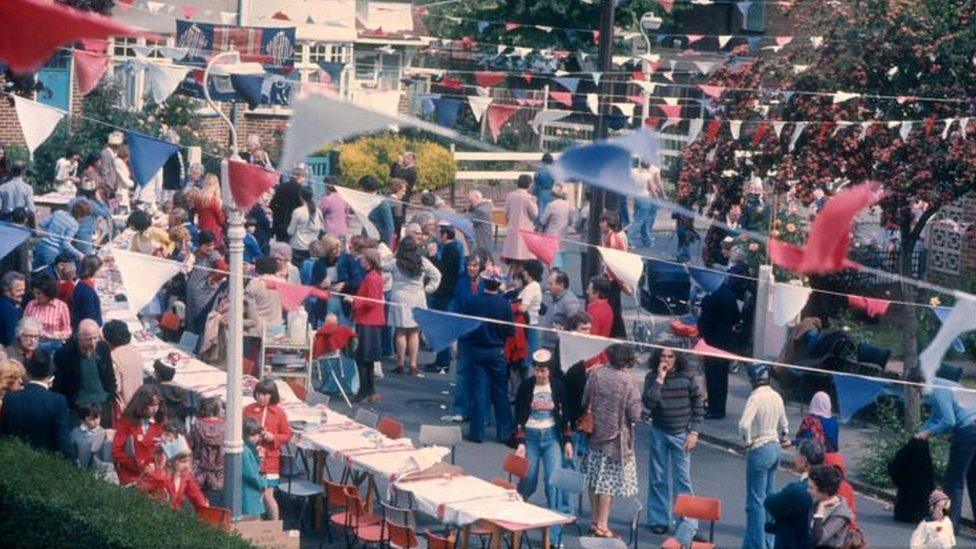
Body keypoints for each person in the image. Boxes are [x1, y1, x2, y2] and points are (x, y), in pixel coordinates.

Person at [580, 344, 642, 539]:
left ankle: (594, 520)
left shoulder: (597, 374)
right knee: (607, 483)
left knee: (593, 479)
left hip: (595, 434)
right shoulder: (629, 381)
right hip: (615, 439)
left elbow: (585, 400)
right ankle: (603, 524)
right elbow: (635, 414)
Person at [642, 348, 704, 539]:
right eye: (663, 356)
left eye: (670, 356)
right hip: (660, 431)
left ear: (677, 359)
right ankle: (659, 520)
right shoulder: (652, 377)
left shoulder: (688, 377)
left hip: (681, 433)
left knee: (683, 481)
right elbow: (649, 403)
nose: (666, 360)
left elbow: (698, 404)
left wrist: (694, 432)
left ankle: (687, 524)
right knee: (658, 477)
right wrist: (660, 379)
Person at [512, 349, 573, 543]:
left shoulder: (558, 387)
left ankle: (554, 537)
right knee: (528, 481)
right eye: (537, 370)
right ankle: (516, 523)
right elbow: (519, 417)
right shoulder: (526, 387)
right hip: (531, 436)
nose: (539, 374)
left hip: (551, 437)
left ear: (550, 370)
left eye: (543, 371)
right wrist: (520, 443)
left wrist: (568, 441)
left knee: (552, 483)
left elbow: (566, 416)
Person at [912, 371, 976, 531]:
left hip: (967, 430)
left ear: (922, 382)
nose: (917, 393)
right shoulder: (941, 383)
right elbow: (935, 418)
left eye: (916, 388)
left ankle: (950, 524)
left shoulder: (937, 390)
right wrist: (920, 432)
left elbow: (949, 421)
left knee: (954, 480)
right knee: (973, 479)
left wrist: (928, 433)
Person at [458, 271, 514, 443]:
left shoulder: (473, 302)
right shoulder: (505, 305)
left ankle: (477, 432)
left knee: (479, 391)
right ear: (498, 285)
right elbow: (510, 331)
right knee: (500, 392)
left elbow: (465, 326)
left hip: (477, 350)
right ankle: (504, 432)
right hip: (497, 351)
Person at [739, 363, 789, 549]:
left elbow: (744, 425)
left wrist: (747, 441)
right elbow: (784, 424)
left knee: (755, 502)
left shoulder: (755, 397)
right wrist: (784, 435)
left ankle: (755, 544)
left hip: (760, 447)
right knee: (769, 498)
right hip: (775, 447)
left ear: (753, 379)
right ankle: (769, 542)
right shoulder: (776, 395)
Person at [698, 264, 750, 419]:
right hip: (726, 342)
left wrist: (702, 334)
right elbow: (736, 318)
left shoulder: (710, 297)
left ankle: (714, 408)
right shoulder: (729, 295)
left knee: (712, 377)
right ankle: (719, 407)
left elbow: (704, 324)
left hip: (712, 344)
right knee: (722, 379)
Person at [0, 350, 72, 458]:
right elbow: (63, 440)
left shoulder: (9, 399)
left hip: (14, 460)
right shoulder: (58, 401)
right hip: (44, 463)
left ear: (28, 373)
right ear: (50, 376)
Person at [386, 235, 441, 376]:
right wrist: (428, 289)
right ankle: (413, 364)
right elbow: (437, 275)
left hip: (400, 298)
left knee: (400, 332)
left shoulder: (395, 263)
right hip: (417, 297)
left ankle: (400, 363)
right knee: (415, 332)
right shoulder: (423, 262)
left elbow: (381, 265)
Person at [243, 379, 292, 520]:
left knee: (267, 494)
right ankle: (255, 524)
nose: (261, 397)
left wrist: (273, 437)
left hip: (270, 459)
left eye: (265, 394)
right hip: (251, 458)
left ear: (272, 395)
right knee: (252, 492)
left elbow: (287, 435)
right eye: (259, 394)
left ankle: (275, 524)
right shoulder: (247, 410)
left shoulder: (279, 413)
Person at [764, 439, 826, 549]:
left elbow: (770, 503)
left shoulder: (797, 490)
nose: (794, 458)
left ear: (804, 460)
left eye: (797, 454)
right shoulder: (830, 487)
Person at [53, 319, 116, 425]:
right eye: (88, 339)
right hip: (78, 406)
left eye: (96, 338)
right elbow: (60, 384)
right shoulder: (65, 353)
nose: (93, 342)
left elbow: (109, 374)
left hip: (102, 402)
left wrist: (111, 394)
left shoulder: (103, 347)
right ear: (79, 337)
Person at [111, 384, 165, 485]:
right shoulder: (126, 421)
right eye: (151, 405)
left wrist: (158, 464)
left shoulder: (162, 422)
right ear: (141, 404)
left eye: (157, 405)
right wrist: (136, 464)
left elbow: (169, 449)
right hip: (132, 477)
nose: (155, 409)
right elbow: (117, 451)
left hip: (155, 477)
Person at [350, 248, 385, 403]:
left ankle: (364, 391)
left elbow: (371, 301)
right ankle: (368, 390)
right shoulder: (375, 276)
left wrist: (354, 301)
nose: (361, 261)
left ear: (370, 261)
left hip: (367, 321)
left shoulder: (371, 278)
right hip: (371, 321)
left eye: (364, 259)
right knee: (367, 359)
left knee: (363, 358)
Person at [428, 224, 461, 374]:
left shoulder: (450, 250)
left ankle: (443, 363)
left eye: (440, 233)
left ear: (445, 235)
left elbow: (442, 271)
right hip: (447, 292)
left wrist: (433, 256)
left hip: (445, 293)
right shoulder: (454, 249)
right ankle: (440, 360)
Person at [143, 436, 210, 512]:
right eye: (183, 462)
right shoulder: (156, 476)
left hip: (176, 519)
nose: (187, 465)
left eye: (189, 461)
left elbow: (197, 497)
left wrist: (206, 509)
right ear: (172, 462)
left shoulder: (186, 477)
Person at [185, 231, 228, 330]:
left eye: (212, 245)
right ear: (200, 245)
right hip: (192, 295)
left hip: (204, 295)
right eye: (207, 245)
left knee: (202, 322)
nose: (211, 248)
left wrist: (212, 279)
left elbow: (224, 270)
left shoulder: (213, 255)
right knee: (191, 321)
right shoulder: (195, 253)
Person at [807, 465, 855, 548]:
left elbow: (817, 539)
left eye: (811, 488)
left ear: (824, 492)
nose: (807, 490)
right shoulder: (817, 501)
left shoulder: (840, 514)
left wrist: (821, 509)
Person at [190, 397, 225, 505]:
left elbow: (191, 445)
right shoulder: (225, 426)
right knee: (216, 501)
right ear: (214, 409)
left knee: (198, 500)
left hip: (199, 468)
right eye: (222, 408)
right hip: (219, 471)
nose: (223, 411)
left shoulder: (196, 425)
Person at [33, 201, 88, 272]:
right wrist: (79, 254)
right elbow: (65, 244)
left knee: (35, 272)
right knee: (47, 276)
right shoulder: (74, 225)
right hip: (52, 252)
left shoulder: (59, 213)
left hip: (41, 246)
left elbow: (42, 224)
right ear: (82, 215)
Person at [598, 211, 628, 338]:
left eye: (602, 222)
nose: (600, 225)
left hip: (612, 279)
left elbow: (614, 263)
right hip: (612, 277)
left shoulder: (613, 238)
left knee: (613, 309)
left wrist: (621, 282)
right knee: (614, 308)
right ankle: (616, 334)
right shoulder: (609, 236)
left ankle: (618, 335)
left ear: (607, 223)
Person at [102, 319, 143, 412]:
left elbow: (116, 388)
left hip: (125, 409)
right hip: (140, 404)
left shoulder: (113, 357)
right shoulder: (137, 352)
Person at [501, 175, 540, 265]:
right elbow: (535, 214)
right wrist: (535, 202)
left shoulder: (510, 195)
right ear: (529, 185)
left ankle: (512, 277)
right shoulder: (528, 198)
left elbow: (506, 213)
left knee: (513, 260)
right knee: (524, 261)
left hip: (512, 232)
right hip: (525, 233)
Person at [24, 277, 71, 351]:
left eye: (39, 293)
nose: (36, 296)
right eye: (35, 293)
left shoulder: (61, 306)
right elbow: (24, 326)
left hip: (53, 346)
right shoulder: (30, 305)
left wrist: (55, 335)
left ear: (48, 292)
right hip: (33, 346)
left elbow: (68, 331)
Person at [539, 268, 580, 352]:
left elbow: (577, 325)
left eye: (551, 284)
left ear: (561, 285)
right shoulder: (554, 297)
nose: (548, 286)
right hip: (548, 345)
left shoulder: (569, 301)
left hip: (558, 348)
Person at [628, 162, 663, 248]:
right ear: (649, 166)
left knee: (639, 219)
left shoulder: (635, 173)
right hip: (645, 198)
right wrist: (657, 199)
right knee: (639, 221)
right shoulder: (647, 176)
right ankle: (628, 238)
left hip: (637, 197)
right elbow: (651, 189)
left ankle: (646, 240)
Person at [286, 187, 323, 265]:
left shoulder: (297, 212)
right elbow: (321, 228)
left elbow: (290, 232)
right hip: (312, 247)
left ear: (301, 197)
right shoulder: (318, 211)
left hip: (297, 246)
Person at [150, 360, 193, 428]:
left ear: (158, 374)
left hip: (158, 427)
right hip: (178, 429)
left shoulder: (153, 391)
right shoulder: (183, 392)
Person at [189, 174, 226, 249]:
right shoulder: (214, 200)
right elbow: (221, 219)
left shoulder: (199, 199)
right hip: (214, 230)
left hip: (203, 227)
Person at [539, 184, 572, 267]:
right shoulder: (567, 205)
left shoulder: (551, 205)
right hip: (563, 237)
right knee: (559, 263)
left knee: (550, 262)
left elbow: (543, 221)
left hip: (551, 236)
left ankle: (553, 278)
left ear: (553, 195)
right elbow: (570, 221)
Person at [241, 416, 268, 518]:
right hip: (249, 495)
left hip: (249, 494)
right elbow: (251, 474)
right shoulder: (246, 451)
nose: (257, 438)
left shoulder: (249, 449)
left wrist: (259, 459)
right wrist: (263, 483)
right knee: (253, 520)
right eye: (254, 435)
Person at [70, 403, 109, 469]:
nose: (96, 421)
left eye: (98, 417)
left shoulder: (104, 434)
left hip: (99, 471)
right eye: (91, 419)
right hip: (78, 470)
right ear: (82, 420)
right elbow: (71, 450)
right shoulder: (75, 433)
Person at [70, 255, 104, 331]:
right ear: (93, 270)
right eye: (99, 269)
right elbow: (89, 316)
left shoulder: (84, 284)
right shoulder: (85, 290)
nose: (101, 271)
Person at [361, 176, 395, 246]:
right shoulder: (365, 200)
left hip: (377, 241)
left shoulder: (382, 203)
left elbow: (389, 227)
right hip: (366, 238)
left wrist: (388, 246)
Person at [467, 190, 494, 263]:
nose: (471, 204)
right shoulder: (484, 206)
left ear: (478, 198)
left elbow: (467, 220)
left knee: (483, 264)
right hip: (483, 241)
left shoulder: (481, 210)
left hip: (482, 243)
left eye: (472, 201)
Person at [0, 272, 25, 347]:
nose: (22, 293)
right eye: (18, 290)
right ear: (6, 290)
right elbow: (11, 339)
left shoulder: (13, 306)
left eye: (23, 290)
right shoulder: (9, 310)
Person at [98, 131, 124, 198]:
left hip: (115, 185)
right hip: (109, 186)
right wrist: (108, 186)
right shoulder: (106, 153)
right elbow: (104, 171)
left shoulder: (114, 153)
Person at [533, 153, 556, 220]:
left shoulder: (539, 171)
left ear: (543, 161)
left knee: (540, 211)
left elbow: (535, 185)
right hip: (551, 192)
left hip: (541, 192)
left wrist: (534, 194)